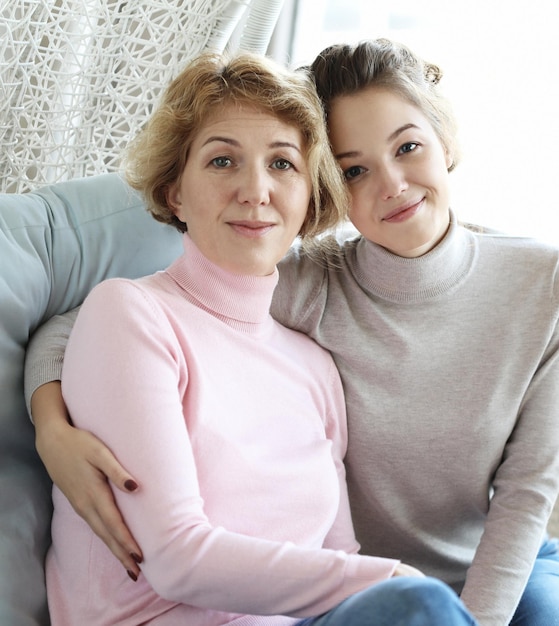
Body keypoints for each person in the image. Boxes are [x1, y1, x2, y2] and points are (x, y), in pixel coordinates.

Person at [25, 37, 559, 625]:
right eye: (354, 169)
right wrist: (50, 426)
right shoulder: (292, 288)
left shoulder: (539, 284)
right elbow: (78, 329)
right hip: (368, 593)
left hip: (472, 566)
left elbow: (523, 494)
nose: (392, 184)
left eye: (282, 164)